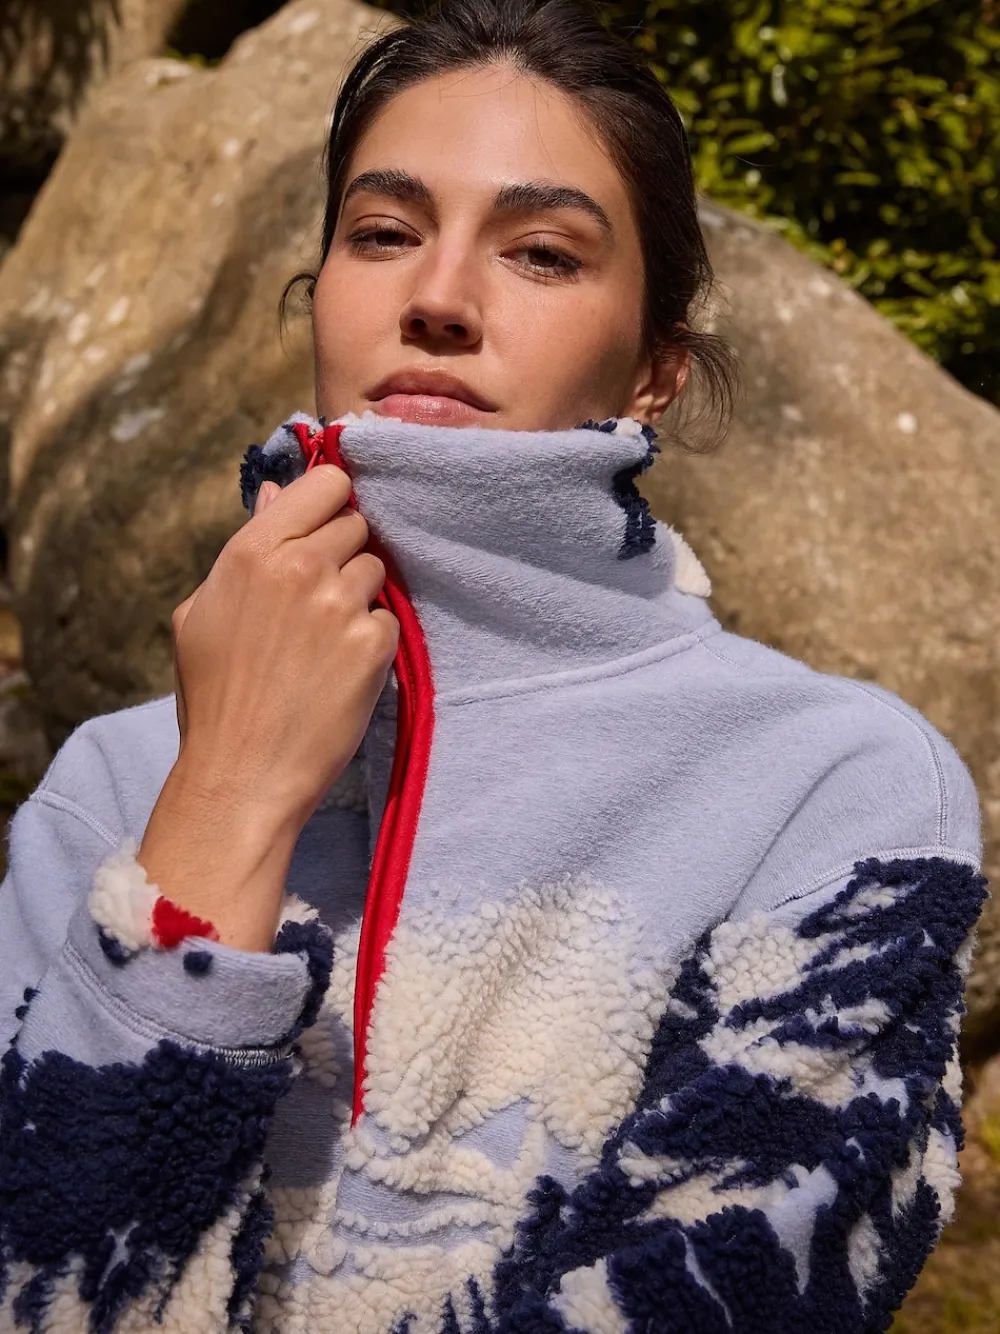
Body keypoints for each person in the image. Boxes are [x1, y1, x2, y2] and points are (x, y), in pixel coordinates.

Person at [0, 0, 987, 1330]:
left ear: (654, 369)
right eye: (383, 233)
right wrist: (225, 798)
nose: (438, 298)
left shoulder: (834, 795)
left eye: (541, 252)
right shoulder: (116, 787)